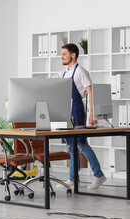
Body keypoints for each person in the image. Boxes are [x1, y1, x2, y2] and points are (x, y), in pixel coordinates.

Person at [54, 43, 106, 189]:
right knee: (71, 146)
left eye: (64, 54)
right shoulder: (64, 73)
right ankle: (73, 178)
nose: (61, 56)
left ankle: (99, 175)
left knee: (82, 144)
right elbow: (52, 81)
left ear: (73, 55)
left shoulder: (80, 71)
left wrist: (92, 114)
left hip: (77, 111)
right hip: (67, 111)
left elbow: (90, 92)